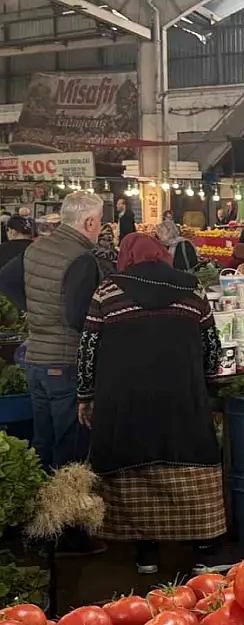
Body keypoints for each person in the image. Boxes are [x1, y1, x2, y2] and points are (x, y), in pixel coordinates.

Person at [76, 235, 226, 575]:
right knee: (189, 463)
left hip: (124, 404)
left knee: (135, 468)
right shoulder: (193, 289)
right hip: (181, 401)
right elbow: (211, 349)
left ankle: (146, 555)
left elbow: (88, 349)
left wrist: (85, 396)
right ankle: (202, 551)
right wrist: (201, 378)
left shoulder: (108, 291)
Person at [0, 191, 113, 556]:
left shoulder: (35, 249)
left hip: (36, 359)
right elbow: (79, 317)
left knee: (43, 442)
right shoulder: (81, 258)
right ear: (90, 223)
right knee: (70, 449)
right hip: (65, 362)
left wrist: (33, 312)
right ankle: (66, 536)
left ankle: (36, 528)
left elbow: (6, 280)